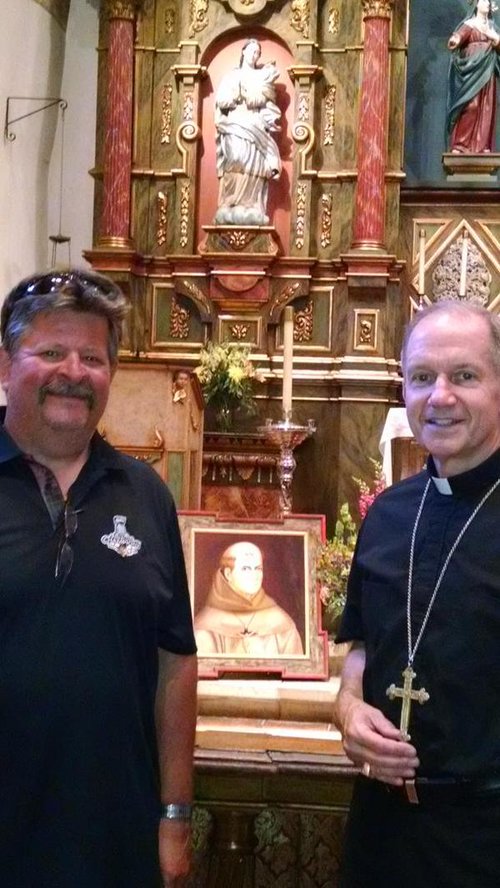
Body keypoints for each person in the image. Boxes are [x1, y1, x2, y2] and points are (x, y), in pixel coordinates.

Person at [0, 269, 197, 888]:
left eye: (92, 356)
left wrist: (174, 818)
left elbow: (176, 661)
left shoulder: (146, 495)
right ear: (6, 367)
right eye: (52, 352)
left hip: (115, 834)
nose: (74, 372)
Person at [334, 300, 500, 887]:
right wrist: (348, 708)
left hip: (483, 837)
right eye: (422, 377)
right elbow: (359, 646)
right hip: (380, 834)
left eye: (465, 376)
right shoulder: (386, 513)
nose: (441, 397)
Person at [214, 38, 282, 226]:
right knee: (235, 159)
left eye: (257, 53)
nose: (254, 55)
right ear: (243, 52)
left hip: (255, 125)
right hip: (235, 123)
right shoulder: (231, 77)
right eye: (252, 51)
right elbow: (222, 101)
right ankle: (229, 202)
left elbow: (266, 100)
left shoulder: (262, 77)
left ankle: (252, 206)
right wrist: (237, 96)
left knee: (254, 165)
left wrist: (253, 98)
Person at [194, 540, 303, 656]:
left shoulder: (282, 623)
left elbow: (297, 668)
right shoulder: (206, 625)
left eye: (258, 569)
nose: (254, 575)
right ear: (228, 574)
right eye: (246, 569)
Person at [446, 0, 500, 154]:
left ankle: (482, 146)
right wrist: (455, 40)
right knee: (471, 105)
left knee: (486, 107)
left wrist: (495, 38)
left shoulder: (492, 27)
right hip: (471, 70)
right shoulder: (470, 24)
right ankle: (460, 145)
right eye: (483, 1)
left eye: (488, 2)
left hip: (487, 70)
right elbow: (459, 35)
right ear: (476, 4)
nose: (487, 4)